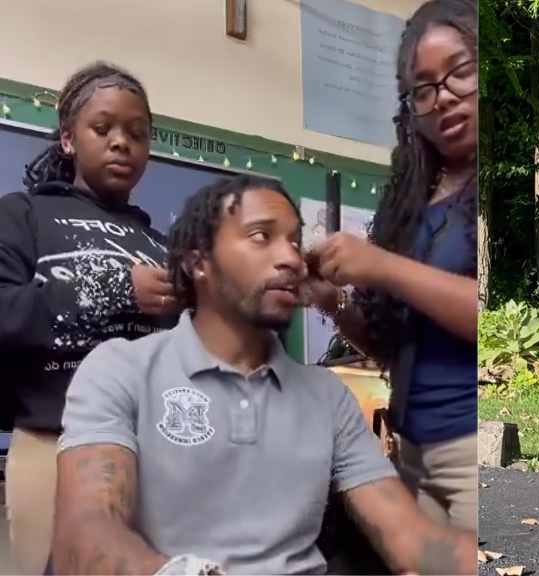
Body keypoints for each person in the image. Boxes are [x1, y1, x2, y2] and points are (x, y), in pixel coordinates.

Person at [52, 175, 478, 576]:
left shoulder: (326, 395)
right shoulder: (121, 370)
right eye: (262, 236)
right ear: (199, 262)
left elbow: (409, 537)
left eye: (295, 242)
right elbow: (84, 535)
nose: (292, 257)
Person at [0, 61, 182, 576]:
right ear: (68, 139)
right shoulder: (22, 215)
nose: (122, 142)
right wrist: (115, 288)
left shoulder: (161, 246)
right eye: (103, 128)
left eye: (138, 134)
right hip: (53, 442)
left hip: (157, 449)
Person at [307, 0, 478, 531]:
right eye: (423, 89)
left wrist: (382, 267)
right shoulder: (412, 203)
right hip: (415, 450)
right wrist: (331, 301)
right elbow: (395, 349)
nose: (442, 98)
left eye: (461, 73)